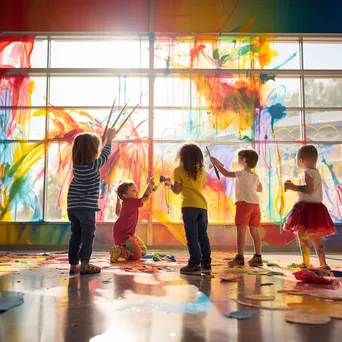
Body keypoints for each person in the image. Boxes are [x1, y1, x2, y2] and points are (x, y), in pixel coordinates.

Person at [67, 128, 117, 275]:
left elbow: (96, 154)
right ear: (93, 150)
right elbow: (105, 154)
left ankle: (73, 265)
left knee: (75, 235)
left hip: (73, 207)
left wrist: (101, 141)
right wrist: (110, 139)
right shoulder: (94, 165)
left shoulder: (76, 167)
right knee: (87, 236)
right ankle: (85, 264)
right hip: (87, 208)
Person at [284, 145, 335, 270]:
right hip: (316, 209)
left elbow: (309, 189)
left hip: (306, 208)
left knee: (303, 236)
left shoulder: (307, 172)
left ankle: (306, 263)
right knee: (315, 237)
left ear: (301, 160)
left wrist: (293, 187)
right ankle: (323, 263)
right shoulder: (316, 172)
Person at [210, 149, 263, 267]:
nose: (236, 161)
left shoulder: (241, 173)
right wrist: (250, 188)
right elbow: (260, 188)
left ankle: (240, 257)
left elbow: (225, 173)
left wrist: (216, 163)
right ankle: (258, 257)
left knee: (241, 231)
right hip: (255, 205)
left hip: (244, 204)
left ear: (244, 160)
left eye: (238, 159)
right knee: (254, 231)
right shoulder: (255, 175)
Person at [167, 143, 211, 275]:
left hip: (189, 206)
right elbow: (199, 186)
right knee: (203, 236)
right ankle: (206, 263)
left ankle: (194, 263)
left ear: (182, 157)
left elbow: (176, 191)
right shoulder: (202, 171)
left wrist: (169, 184)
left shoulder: (178, 170)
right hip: (202, 206)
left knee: (191, 236)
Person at [110, 178, 156, 262]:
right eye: (133, 190)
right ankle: (119, 252)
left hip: (126, 234)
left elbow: (117, 213)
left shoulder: (127, 203)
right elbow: (145, 198)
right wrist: (150, 185)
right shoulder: (130, 202)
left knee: (143, 251)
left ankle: (121, 250)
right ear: (124, 195)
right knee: (137, 255)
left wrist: (154, 186)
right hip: (123, 234)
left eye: (136, 190)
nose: (137, 192)